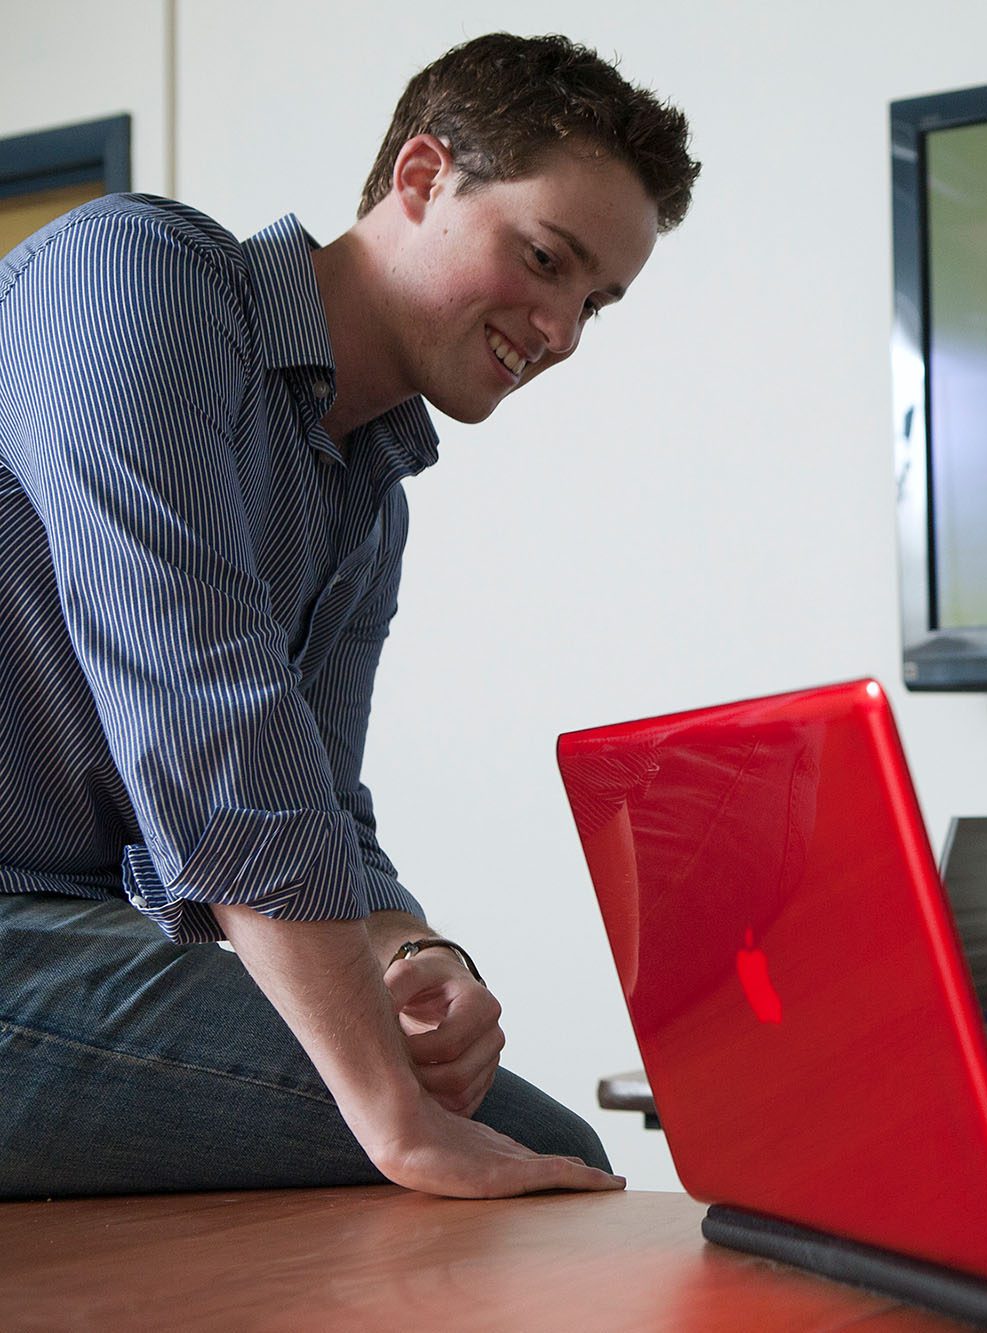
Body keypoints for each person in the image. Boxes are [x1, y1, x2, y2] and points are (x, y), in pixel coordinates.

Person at [0, 34, 699, 1199]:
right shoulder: (134, 275)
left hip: (72, 936)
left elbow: (318, 802)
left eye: (595, 303)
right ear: (422, 179)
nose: (562, 334)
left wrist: (412, 956)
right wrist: (392, 1112)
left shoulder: (366, 500)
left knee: (526, 1137)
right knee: (523, 1152)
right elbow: (204, 707)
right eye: (544, 258)